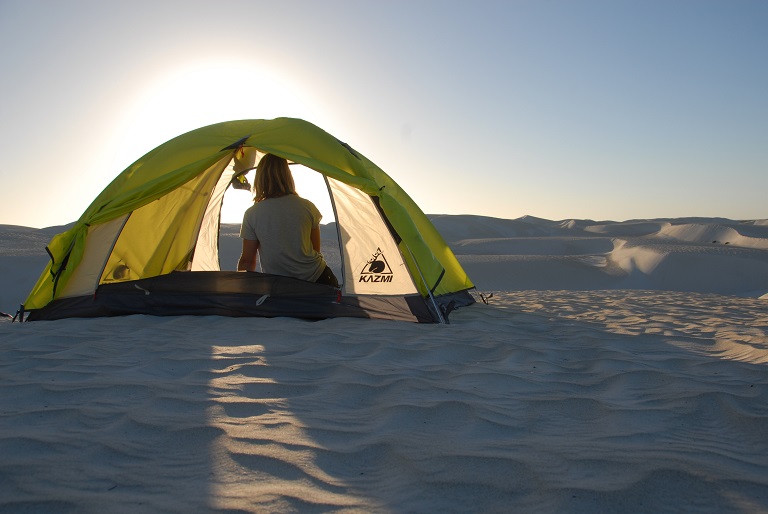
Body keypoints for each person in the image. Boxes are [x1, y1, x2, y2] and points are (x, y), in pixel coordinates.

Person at [237, 153, 339, 288]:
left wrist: (240, 292)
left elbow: (247, 262)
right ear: (288, 176)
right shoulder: (307, 206)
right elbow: (315, 249)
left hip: (279, 287)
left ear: (260, 178)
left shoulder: (252, 214)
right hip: (319, 279)